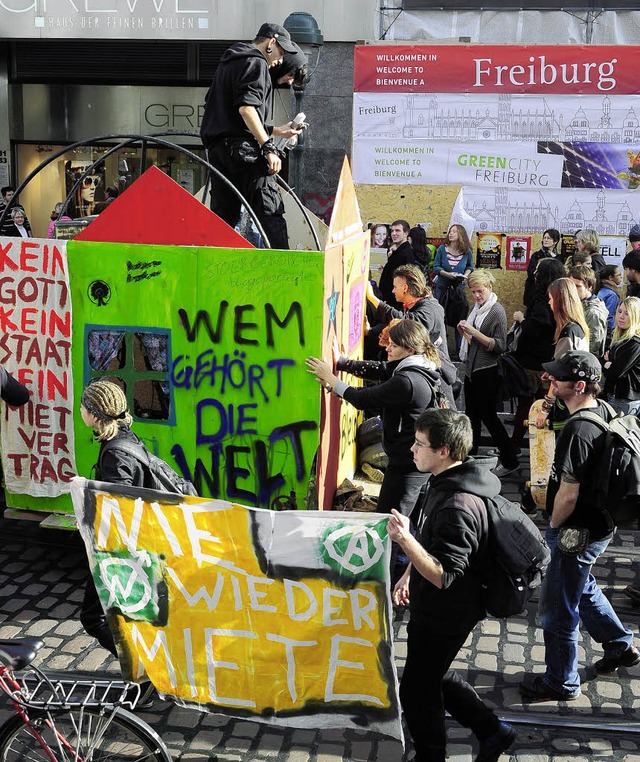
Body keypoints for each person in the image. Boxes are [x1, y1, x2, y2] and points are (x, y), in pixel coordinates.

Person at [389, 408, 515, 762]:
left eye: (420, 444)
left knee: (416, 690)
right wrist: (408, 573)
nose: (412, 450)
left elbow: (445, 574)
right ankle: (494, 731)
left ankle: (430, 756)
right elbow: (434, 544)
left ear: (444, 451)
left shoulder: (458, 505)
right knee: (436, 674)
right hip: (438, 605)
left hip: (447, 612)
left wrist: (405, 541)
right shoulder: (446, 480)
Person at [520, 351, 638, 702]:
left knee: (557, 607)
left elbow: (568, 496)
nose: (551, 380)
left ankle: (561, 679)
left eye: (558, 378)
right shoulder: (601, 411)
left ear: (580, 386)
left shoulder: (578, 430)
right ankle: (620, 646)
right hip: (600, 525)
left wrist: (552, 530)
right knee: (581, 586)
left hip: (576, 530)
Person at [306, 320, 441, 517]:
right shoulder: (417, 366)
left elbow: (364, 399)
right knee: (402, 516)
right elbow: (380, 370)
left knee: (391, 518)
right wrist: (342, 364)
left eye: (394, 345)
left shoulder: (407, 381)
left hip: (407, 464)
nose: (388, 348)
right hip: (411, 460)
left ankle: (398, 548)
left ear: (410, 350)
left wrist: (332, 379)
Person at [200, 22, 304, 250]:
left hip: (218, 153)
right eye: (281, 52)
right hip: (243, 153)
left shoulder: (229, 62)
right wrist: (268, 147)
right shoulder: (256, 63)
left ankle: (217, 270)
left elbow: (232, 118)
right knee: (270, 212)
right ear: (271, 43)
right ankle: (282, 272)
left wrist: (277, 130)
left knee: (223, 219)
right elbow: (246, 109)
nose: (280, 60)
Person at [78, 380, 148, 656]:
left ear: (94, 415)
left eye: (84, 406)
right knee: (126, 615)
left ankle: (144, 670)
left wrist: (87, 518)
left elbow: (120, 508)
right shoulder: (125, 437)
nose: (80, 410)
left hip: (117, 551)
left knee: (93, 617)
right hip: (128, 547)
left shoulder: (115, 454)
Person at [457, 270, 519, 477]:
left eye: (480, 291)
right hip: (471, 370)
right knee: (471, 416)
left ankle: (510, 459)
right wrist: (463, 333)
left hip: (487, 371)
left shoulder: (496, 311)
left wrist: (474, 332)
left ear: (490, 288)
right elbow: (474, 344)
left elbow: (499, 346)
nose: (476, 296)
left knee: (489, 417)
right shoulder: (477, 309)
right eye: (473, 292)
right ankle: (470, 458)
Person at [508, 258, 566, 452]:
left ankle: (515, 449)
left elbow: (535, 328)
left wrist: (522, 320)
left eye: (538, 270)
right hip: (548, 362)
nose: (534, 273)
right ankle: (539, 451)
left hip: (534, 364)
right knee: (542, 408)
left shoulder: (543, 301)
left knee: (528, 407)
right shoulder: (560, 299)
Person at [535, 278, 589, 430]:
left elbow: (560, 377)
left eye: (551, 299)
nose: (549, 303)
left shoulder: (568, 331)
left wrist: (544, 410)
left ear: (560, 301)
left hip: (566, 401)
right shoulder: (578, 327)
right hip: (576, 398)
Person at [366, 264, 448, 357]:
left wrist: (373, 298)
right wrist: (370, 332)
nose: (393, 291)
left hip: (434, 368)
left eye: (395, 287)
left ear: (405, 288)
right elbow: (393, 324)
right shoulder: (418, 304)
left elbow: (407, 323)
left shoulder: (429, 309)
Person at [603, 297, 640, 415]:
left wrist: (607, 363)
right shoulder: (619, 337)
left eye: (627, 313)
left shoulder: (634, 343)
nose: (621, 316)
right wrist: (608, 364)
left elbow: (614, 373)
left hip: (625, 399)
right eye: (619, 311)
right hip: (615, 395)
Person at [568, 265, 608, 360]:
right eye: (571, 285)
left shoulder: (593, 313)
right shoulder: (578, 303)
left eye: (578, 286)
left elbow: (593, 348)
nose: (573, 290)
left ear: (589, 286)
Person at [378, 220, 415, 309]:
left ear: (406, 233)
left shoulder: (406, 253)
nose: (394, 233)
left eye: (397, 230)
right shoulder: (398, 251)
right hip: (390, 298)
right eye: (392, 231)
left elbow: (405, 279)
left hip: (395, 301)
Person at [432, 224, 473, 300]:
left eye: (454, 232)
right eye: (450, 231)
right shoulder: (442, 249)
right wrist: (447, 274)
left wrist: (465, 276)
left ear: (461, 235)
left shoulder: (467, 251)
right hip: (442, 288)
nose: (450, 233)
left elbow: (470, 267)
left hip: (458, 289)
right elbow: (436, 267)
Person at [523, 228, 561, 309]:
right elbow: (531, 272)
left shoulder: (558, 258)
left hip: (552, 292)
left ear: (555, 241)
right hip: (535, 292)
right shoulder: (537, 255)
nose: (546, 240)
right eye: (544, 238)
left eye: (549, 238)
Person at [597, 264, 622, 338]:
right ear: (610, 277)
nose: (621, 277)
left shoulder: (600, 290)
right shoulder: (611, 295)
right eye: (619, 275)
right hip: (607, 332)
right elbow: (609, 316)